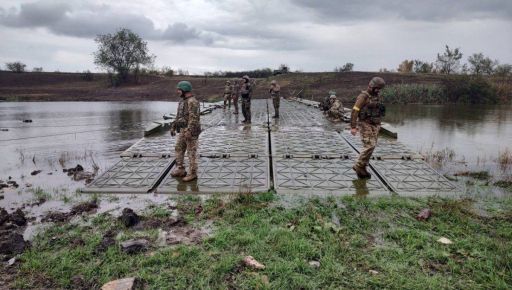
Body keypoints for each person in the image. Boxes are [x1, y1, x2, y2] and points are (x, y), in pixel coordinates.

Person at [350, 77, 386, 179]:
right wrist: (353, 126)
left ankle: (362, 167)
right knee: (369, 145)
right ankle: (358, 165)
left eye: (380, 89)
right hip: (365, 124)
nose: (379, 90)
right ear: (372, 86)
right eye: (377, 88)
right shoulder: (363, 96)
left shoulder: (376, 96)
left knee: (372, 146)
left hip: (375, 124)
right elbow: (355, 110)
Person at [170, 81, 201, 182]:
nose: (177, 91)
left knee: (191, 152)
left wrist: (189, 130)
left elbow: (194, 118)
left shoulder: (193, 101)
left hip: (191, 131)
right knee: (179, 148)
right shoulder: (182, 101)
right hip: (183, 130)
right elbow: (179, 116)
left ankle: (193, 173)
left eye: (179, 89)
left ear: (184, 90)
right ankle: (180, 169)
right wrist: (173, 126)